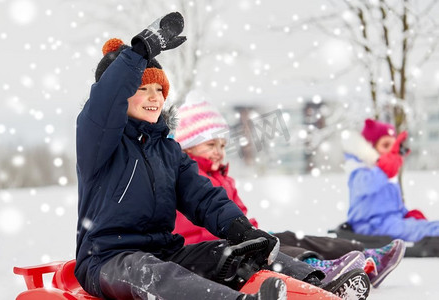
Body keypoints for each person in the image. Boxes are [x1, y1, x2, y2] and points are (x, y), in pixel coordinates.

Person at [74, 12, 350, 300]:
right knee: (151, 271)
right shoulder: (100, 142)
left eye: (159, 89)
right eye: (142, 89)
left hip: (166, 251)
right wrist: (138, 53)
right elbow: (104, 103)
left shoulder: (168, 151)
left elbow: (204, 198)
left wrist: (242, 230)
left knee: (235, 255)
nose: (155, 97)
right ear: (119, 97)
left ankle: (321, 289)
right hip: (107, 260)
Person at [173, 100, 404, 289]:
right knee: (274, 251)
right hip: (215, 249)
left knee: (291, 237)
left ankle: (364, 257)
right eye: (211, 145)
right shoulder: (189, 180)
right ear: (187, 148)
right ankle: (318, 269)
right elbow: (195, 228)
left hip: (240, 238)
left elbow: (239, 215)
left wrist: (254, 231)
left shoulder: (222, 176)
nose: (219, 152)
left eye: (222, 146)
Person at [342, 118, 439, 244]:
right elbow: (367, 185)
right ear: (370, 147)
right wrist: (385, 168)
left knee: (419, 226)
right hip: (370, 226)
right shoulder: (359, 170)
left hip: (390, 222)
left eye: (393, 147)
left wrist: (406, 215)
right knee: (421, 230)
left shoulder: (387, 172)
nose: (390, 151)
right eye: (385, 145)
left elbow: (393, 205)